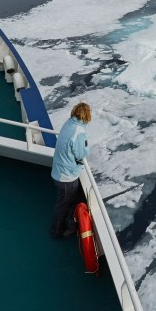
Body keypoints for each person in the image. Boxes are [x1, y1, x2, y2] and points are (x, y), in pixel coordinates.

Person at [50, 102, 91, 239]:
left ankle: (68, 222)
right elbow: (80, 154)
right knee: (63, 206)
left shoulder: (68, 123)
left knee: (66, 201)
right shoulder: (78, 131)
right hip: (66, 177)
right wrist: (86, 148)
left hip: (57, 170)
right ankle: (57, 231)